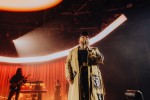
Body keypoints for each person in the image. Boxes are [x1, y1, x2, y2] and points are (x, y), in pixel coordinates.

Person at [65, 31, 106, 100]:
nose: (84, 39)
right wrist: (68, 75)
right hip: (78, 75)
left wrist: (93, 54)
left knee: (90, 94)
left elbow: (101, 59)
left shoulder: (94, 50)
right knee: (79, 94)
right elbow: (67, 63)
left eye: (86, 37)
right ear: (79, 39)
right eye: (82, 37)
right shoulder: (73, 51)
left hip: (91, 75)